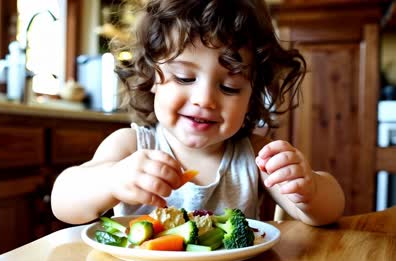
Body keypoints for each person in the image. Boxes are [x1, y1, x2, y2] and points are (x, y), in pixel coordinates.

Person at [51, 0, 345, 226]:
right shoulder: (130, 145)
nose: (205, 100)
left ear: (252, 94)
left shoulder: (254, 154)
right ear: (153, 76)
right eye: (184, 78)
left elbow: (330, 211)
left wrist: (309, 188)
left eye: (230, 87)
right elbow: (62, 201)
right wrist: (112, 179)